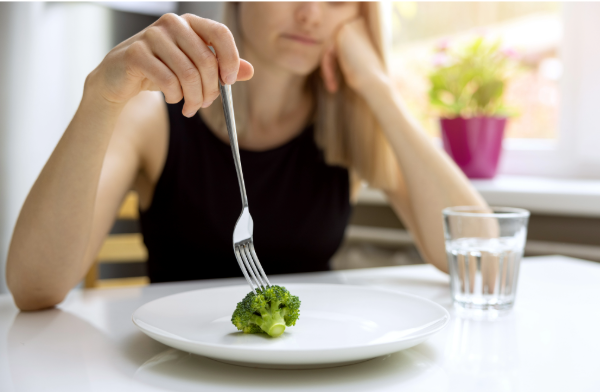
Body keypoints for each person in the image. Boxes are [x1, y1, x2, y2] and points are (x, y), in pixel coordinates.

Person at [6, 3, 486, 311]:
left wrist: (378, 88)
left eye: (337, 0)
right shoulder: (154, 118)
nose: (311, 15)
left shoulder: (350, 127)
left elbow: (480, 257)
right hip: (174, 375)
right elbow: (33, 288)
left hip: (313, 371)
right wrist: (101, 99)